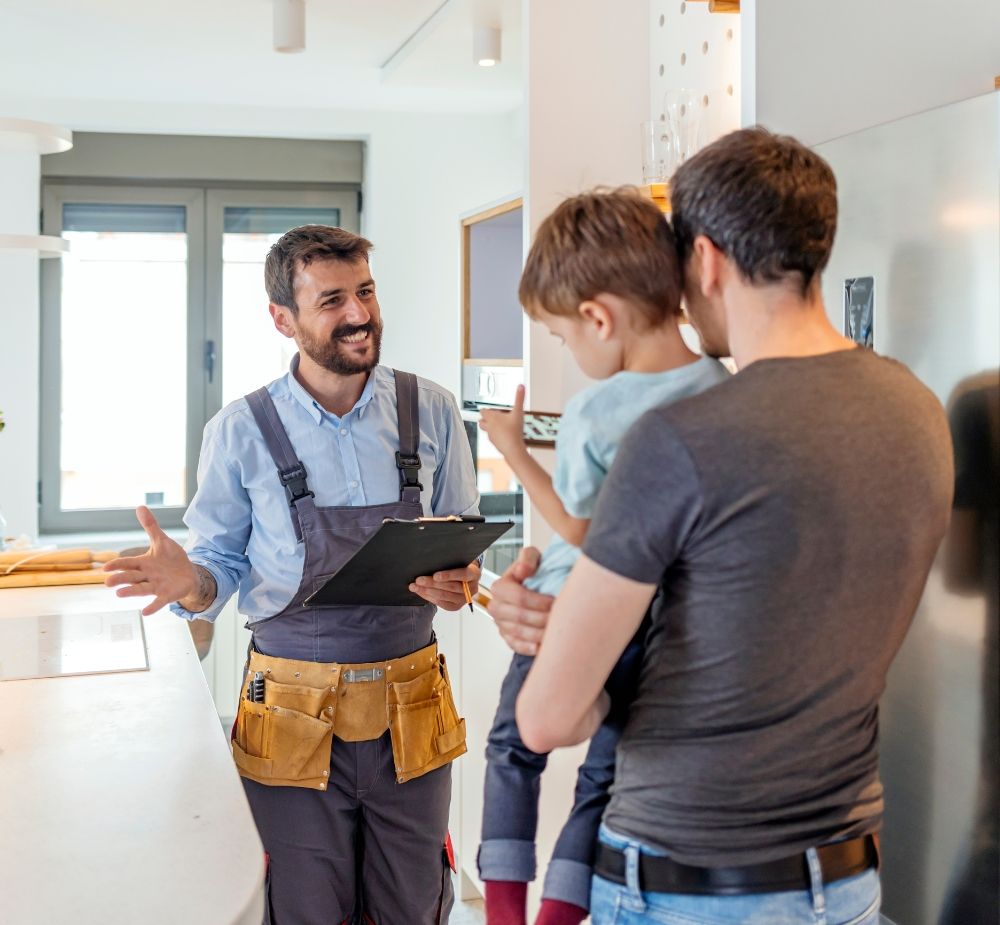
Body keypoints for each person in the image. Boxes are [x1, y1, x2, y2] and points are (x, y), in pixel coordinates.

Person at [488, 128, 955, 924]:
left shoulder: (678, 443)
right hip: (846, 881)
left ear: (704, 260)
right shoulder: (916, 409)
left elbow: (547, 717)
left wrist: (566, 645)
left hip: (686, 884)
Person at [103, 225, 481, 925]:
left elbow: (459, 540)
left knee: (414, 906)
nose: (359, 314)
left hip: (413, 711)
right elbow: (216, 568)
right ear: (283, 318)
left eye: (365, 291)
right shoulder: (240, 430)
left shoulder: (431, 409)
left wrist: (459, 579)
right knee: (303, 908)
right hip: (288, 716)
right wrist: (189, 579)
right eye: (332, 300)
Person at [476, 190, 729, 925]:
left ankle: (502, 915)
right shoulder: (721, 385)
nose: (570, 352)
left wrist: (515, 453)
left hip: (571, 610)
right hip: (660, 628)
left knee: (513, 746)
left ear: (597, 317)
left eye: (560, 336)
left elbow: (582, 531)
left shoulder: (598, 404)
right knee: (603, 775)